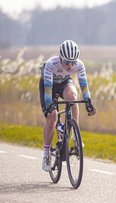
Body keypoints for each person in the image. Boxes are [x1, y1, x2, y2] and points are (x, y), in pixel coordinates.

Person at [39, 40, 95, 172]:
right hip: (50, 85)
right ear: (60, 58)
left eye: (73, 62)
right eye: (67, 61)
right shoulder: (50, 64)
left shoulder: (79, 65)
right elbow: (48, 89)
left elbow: (84, 86)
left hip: (64, 82)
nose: (70, 65)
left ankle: (74, 131)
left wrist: (88, 103)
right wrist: (49, 106)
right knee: (51, 120)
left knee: (72, 98)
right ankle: (46, 154)